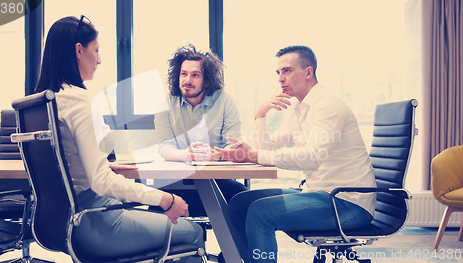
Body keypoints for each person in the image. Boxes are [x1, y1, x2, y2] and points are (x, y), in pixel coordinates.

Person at [34, 16, 204, 261]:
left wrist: (96, 163)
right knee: (193, 232)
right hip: (97, 222)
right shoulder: (81, 104)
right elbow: (101, 182)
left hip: (60, 224)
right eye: (97, 50)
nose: (100, 59)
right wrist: (166, 199)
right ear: (79, 50)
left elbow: (63, 163)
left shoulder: (47, 102)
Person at [215, 45, 377, 262]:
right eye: (278, 72)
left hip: (347, 204)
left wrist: (253, 155)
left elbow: (311, 158)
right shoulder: (298, 109)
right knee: (239, 203)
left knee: (260, 212)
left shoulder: (328, 106)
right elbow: (267, 149)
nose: (281, 78)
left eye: (287, 71)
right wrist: (260, 114)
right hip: (319, 194)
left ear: (308, 72)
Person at [153, 44, 248, 217]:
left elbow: (234, 146)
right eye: (184, 74)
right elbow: (164, 147)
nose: (187, 80)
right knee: (154, 202)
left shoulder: (225, 102)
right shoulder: (165, 102)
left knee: (244, 200)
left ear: (207, 79)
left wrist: (215, 155)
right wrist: (186, 155)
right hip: (176, 182)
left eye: (195, 75)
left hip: (217, 180)